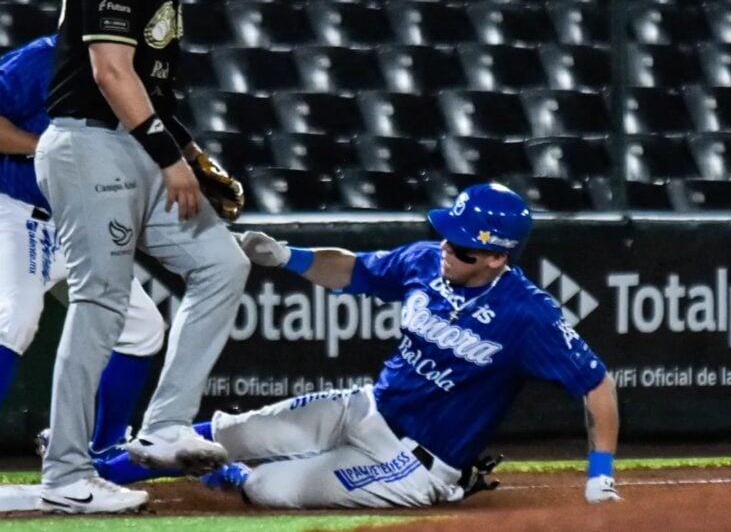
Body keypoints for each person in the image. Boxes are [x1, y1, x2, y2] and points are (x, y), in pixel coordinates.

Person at [34, 0, 250, 514]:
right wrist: (170, 158)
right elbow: (110, 72)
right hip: (90, 146)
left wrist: (190, 151)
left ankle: (163, 426)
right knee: (100, 303)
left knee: (221, 260)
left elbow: (146, 86)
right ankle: (66, 473)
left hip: (130, 146)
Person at [193, 182, 621, 508]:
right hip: (368, 409)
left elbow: (596, 384)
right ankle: (128, 453)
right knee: (228, 432)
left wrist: (600, 475)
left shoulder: (528, 315)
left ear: (497, 258)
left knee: (268, 488)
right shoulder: (426, 259)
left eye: (463, 248)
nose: (448, 250)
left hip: (415, 465)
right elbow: (353, 271)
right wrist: (288, 257)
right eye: (448, 237)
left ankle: (229, 478)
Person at [0, 35, 166, 485]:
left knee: (143, 328)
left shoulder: (130, 70)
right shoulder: (41, 58)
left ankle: (102, 447)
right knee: (17, 318)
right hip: (18, 213)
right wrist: (47, 148)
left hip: (80, 221)